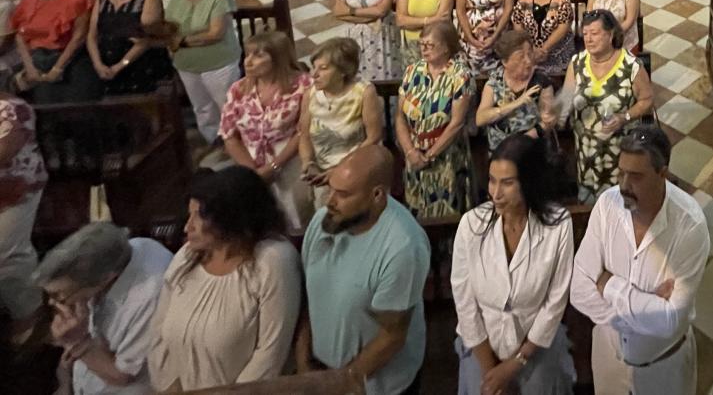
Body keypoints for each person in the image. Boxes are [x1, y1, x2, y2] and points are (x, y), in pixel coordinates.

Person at [570, 126, 709, 395]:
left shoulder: (690, 225)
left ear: (662, 174)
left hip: (663, 367)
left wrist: (609, 285)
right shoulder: (607, 205)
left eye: (636, 176)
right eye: (621, 172)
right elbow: (578, 290)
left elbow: (670, 320)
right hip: (609, 358)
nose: (624, 185)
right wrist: (644, 312)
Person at [148, 167, 301, 389]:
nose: (187, 226)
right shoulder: (186, 256)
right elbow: (159, 333)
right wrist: (170, 387)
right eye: (189, 215)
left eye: (199, 216)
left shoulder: (272, 260)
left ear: (231, 217)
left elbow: (270, 354)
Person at [299, 145, 430, 395]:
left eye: (343, 194)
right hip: (323, 374)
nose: (330, 201)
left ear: (377, 195)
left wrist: (343, 382)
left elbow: (392, 336)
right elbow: (309, 300)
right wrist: (304, 364)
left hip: (377, 385)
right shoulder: (321, 222)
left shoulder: (403, 246)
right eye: (331, 189)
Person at [452, 134, 576, 395]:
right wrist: (492, 374)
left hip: (536, 343)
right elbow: (465, 305)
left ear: (529, 182)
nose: (495, 193)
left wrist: (517, 361)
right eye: (492, 181)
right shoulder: (471, 225)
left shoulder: (558, 225)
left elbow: (555, 302)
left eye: (507, 183)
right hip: (481, 344)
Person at [35, 221, 172, 394]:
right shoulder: (126, 250)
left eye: (59, 296)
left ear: (105, 279)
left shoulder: (148, 298)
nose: (52, 302)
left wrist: (77, 342)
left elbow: (122, 376)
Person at [218, 30, 313, 230]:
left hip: (291, 158)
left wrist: (274, 167)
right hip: (249, 162)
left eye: (258, 55)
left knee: (297, 217)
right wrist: (254, 174)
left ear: (278, 58)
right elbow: (229, 136)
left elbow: (303, 130)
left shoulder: (303, 84)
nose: (248, 61)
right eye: (247, 54)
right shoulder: (238, 89)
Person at [562, 9, 653, 202]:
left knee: (622, 205)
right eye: (585, 34)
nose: (588, 39)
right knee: (591, 206)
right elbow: (565, 99)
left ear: (611, 34)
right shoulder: (577, 63)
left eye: (594, 33)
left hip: (620, 155)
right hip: (586, 155)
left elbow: (647, 100)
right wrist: (553, 110)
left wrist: (624, 117)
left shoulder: (631, 65)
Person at [395, 22, 472, 218]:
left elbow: (456, 123)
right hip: (414, 153)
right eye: (421, 44)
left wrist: (429, 156)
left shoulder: (460, 76)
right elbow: (400, 116)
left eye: (430, 45)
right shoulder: (412, 71)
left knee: (446, 213)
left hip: (446, 156)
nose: (424, 49)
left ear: (446, 47)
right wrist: (410, 152)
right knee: (415, 211)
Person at [166, 0, 243, 143]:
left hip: (218, 63)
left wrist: (182, 41)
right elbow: (170, 32)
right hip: (187, 64)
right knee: (202, 108)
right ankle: (213, 140)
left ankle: (236, 142)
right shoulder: (176, 1)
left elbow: (215, 34)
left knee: (227, 106)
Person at [300, 37, 383, 206]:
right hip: (321, 176)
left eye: (323, 68)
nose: (314, 74)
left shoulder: (363, 92)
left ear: (344, 70)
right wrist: (308, 163)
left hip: (356, 173)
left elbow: (374, 137)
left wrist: (339, 170)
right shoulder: (310, 94)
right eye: (313, 67)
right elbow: (304, 135)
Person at [5, 0, 97, 105]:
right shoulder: (26, 2)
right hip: (39, 63)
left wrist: (58, 68)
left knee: (77, 108)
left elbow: (79, 37)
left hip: (71, 60)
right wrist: (30, 67)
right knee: (48, 109)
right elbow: (20, 36)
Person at [0, 66, 45, 344]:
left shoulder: (14, 109)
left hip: (16, 190)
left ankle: (29, 313)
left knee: (6, 253)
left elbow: (4, 152)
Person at [84, 0, 173, 95]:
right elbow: (92, 35)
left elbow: (144, 39)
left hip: (141, 64)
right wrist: (98, 64)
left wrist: (120, 66)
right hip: (107, 63)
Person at [476, 30, 558, 151]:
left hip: (531, 149)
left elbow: (547, 123)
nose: (528, 61)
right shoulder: (494, 82)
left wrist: (517, 144)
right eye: (521, 57)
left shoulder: (541, 82)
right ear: (505, 62)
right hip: (499, 153)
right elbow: (480, 119)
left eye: (530, 54)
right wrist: (516, 103)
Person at [511, 0, 575, 77]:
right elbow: (517, 22)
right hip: (530, 50)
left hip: (557, 51)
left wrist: (544, 49)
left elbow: (563, 27)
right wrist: (529, 48)